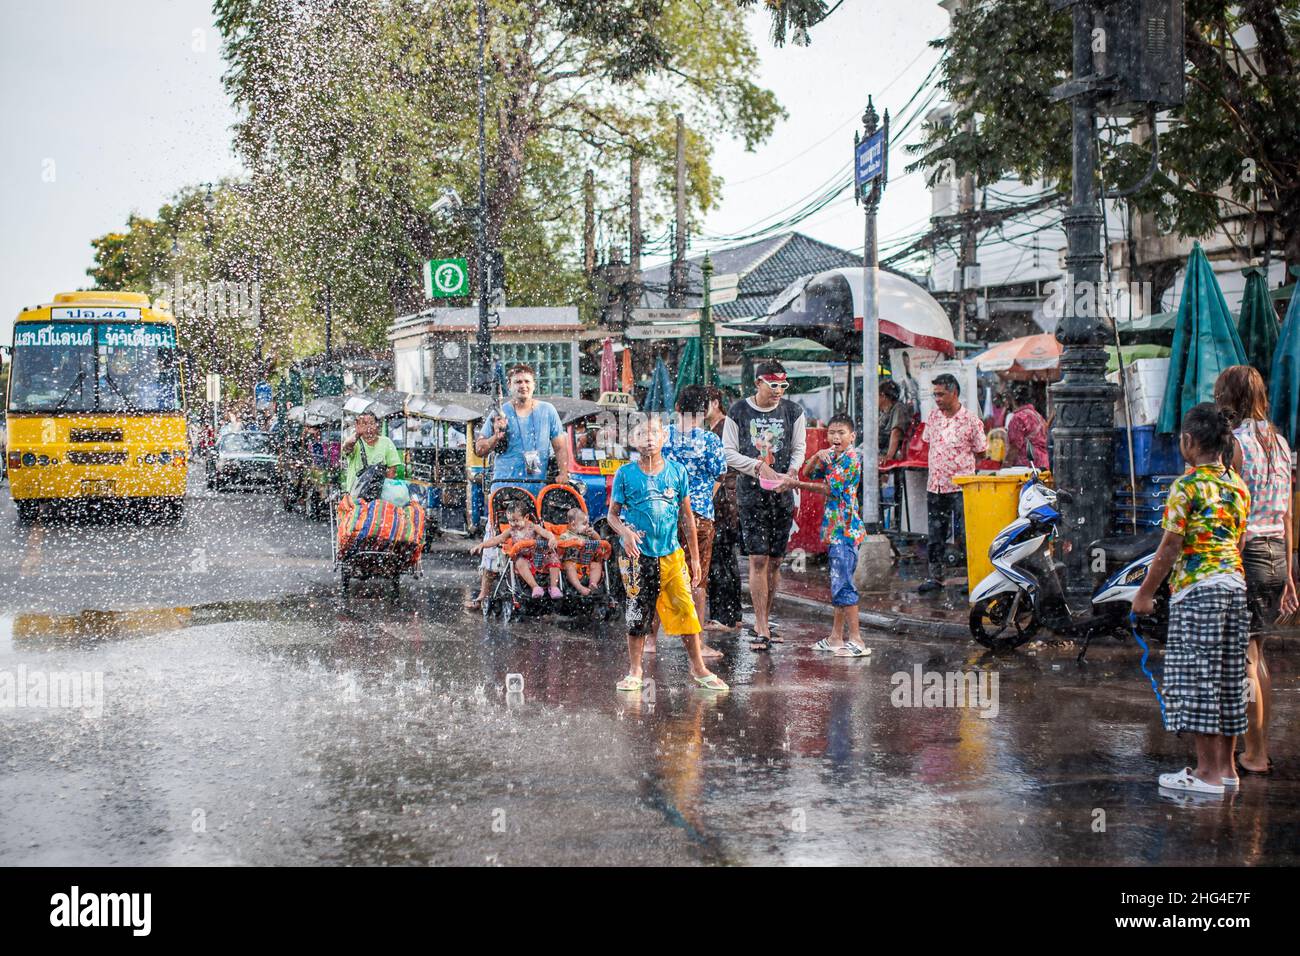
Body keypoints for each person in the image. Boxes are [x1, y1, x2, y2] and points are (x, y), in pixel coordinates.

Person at [1133, 403, 1251, 794]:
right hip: (1235, 588)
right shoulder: (1237, 485)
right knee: (1229, 680)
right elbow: (1238, 540)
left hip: (1198, 592)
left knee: (1198, 680)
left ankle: (1205, 773)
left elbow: (1170, 545)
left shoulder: (1186, 486)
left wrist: (1145, 593)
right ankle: (1228, 771)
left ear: (1188, 441)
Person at [1214, 365, 1297, 776]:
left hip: (1248, 554)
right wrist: (1291, 572)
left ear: (1230, 398)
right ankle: (1258, 746)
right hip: (1278, 555)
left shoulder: (1237, 444)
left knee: (1245, 657)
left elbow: (1232, 506)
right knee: (1258, 653)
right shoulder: (1280, 443)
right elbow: (1286, 514)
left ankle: (1254, 752)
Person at [607, 416, 728, 694]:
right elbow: (612, 516)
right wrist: (624, 532)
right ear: (632, 441)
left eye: (654, 433)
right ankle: (635, 670)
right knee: (638, 614)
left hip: (672, 555)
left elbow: (687, 517)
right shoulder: (625, 474)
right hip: (638, 556)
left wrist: (694, 558)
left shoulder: (677, 472)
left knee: (686, 610)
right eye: (641, 433)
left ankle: (698, 668)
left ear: (664, 438)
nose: (648, 438)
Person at [466, 364, 569, 609]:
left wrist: (564, 473)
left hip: (536, 487)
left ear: (534, 385)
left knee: (537, 537)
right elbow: (479, 448)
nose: (523, 386)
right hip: (504, 487)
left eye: (527, 382)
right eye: (518, 382)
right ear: (510, 386)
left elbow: (560, 446)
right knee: (495, 534)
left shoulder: (547, 410)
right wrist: (496, 437)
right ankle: (483, 594)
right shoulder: (499, 413)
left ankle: (544, 585)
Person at [722, 360, 807, 651]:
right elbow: (728, 453)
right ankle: (759, 625)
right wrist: (757, 467)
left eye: (784, 386)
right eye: (774, 385)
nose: (779, 391)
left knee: (775, 561)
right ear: (758, 383)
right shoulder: (738, 411)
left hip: (783, 493)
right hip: (751, 494)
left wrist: (793, 471)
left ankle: (766, 619)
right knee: (757, 559)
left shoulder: (793, 411)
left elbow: (799, 448)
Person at [789, 414, 870, 657]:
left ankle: (857, 640)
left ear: (852, 436)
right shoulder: (833, 457)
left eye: (841, 433)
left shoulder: (851, 460)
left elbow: (828, 488)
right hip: (835, 530)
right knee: (837, 583)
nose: (836, 437)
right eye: (832, 433)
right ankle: (836, 637)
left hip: (846, 530)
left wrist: (795, 485)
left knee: (844, 583)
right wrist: (816, 456)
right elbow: (808, 472)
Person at [665, 385, 728, 659]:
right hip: (700, 516)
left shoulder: (662, 436)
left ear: (677, 407)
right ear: (705, 412)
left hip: (665, 514)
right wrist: (702, 498)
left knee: (660, 575)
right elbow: (721, 475)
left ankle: (651, 640)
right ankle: (698, 642)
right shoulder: (711, 441)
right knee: (697, 579)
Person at [918, 373, 986, 594]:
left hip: (961, 487)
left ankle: (971, 578)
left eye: (941, 394)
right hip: (936, 485)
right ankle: (935, 577)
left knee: (967, 535)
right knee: (935, 535)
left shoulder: (971, 420)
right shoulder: (933, 418)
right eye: (935, 394)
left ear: (954, 392)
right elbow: (928, 441)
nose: (937, 399)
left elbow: (982, 451)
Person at [704, 386, 742, 632]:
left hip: (724, 504)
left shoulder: (723, 429)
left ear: (715, 403)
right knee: (725, 559)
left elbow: (724, 470)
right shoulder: (715, 429)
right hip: (724, 503)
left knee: (720, 558)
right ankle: (731, 614)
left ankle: (724, 616)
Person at [472, 501, 562, 600]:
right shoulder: (511, 531)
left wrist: (552, 538)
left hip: (538, 555)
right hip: (524, 558)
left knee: (554, 557)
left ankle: (554, 587)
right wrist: (482, 545)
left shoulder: (533, 527)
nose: (513, 524)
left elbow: (546, 533)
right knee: (519, 562)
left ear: (526, 517)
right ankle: (535, 587)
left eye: (516, 520)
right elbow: (497, 539)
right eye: (510, 521)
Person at [341, 410, 400, 492]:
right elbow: (346, 448)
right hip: (355, 495)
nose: (368, 427)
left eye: (371, 423)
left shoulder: (386, 442)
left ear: (377, 425)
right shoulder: (355, 442)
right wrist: (357, 434)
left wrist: (383, 491)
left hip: (378, 495)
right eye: (364, 424)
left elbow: (392, 469)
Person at [556, 506, 606, 596]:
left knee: (597, 565)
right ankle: (579, 587)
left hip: (586, 562)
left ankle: (593, 583)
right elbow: (560, 544)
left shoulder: (586, 535)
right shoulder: (566, 535)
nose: (587, 526)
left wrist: (594, 534)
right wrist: (571, 542)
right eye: (584, 524)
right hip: (572, 561)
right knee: (569, 566)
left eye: (588, 524)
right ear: (573, 525)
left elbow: (599, 541)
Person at [1004, 383, 1050, 470]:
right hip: (1042, 465)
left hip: (1027, 468)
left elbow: (1014, 447)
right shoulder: (1036, 415)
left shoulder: (1018, 418)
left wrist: (1005, 467)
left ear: (1013, 400)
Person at [878, 379, 914, 463]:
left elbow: (896, 433)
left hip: (889, 453)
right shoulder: (884, 412)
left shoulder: (898, 409)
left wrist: (888, 457)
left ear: (883, 396)